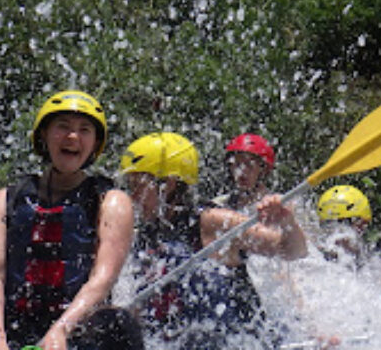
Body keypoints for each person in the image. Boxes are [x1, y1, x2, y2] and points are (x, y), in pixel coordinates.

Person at [0, 90, 141, 350]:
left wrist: (61, 330)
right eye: (63, 127)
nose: (73, 137)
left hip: (76, 333)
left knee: (118, 323)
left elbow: (102, 279)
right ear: (44, 135)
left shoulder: (111, 202)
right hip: (14, 329)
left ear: (95, 144)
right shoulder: (5, 200)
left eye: (84, 130)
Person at [119, 132, 308, 348]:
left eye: (138, 186)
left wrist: (286, 220)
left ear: (168, 184)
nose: (133, 197)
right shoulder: (145, 236)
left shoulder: (212, 221)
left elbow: (294, 251)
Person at [212, 133, 276, 209]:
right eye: (237, 164)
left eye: (249, 165)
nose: (242, 171)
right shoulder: (220, 203)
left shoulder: (277, 204)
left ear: (263, 170)